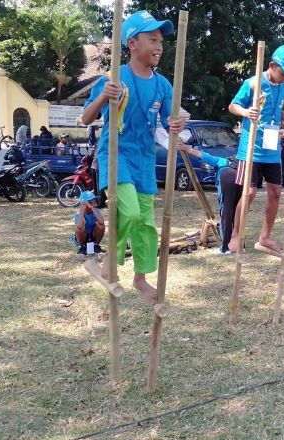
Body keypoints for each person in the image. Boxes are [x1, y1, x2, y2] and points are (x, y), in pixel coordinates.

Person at [78, 9, 184, 306]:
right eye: (152, 39)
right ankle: (107, 265)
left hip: (145, 159)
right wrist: (103, 96)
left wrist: (176, 124)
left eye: (161, 41)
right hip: (116, 155)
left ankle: (140, 277)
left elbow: (171, 121)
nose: (159, 46)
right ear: (132, 43)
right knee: (129, 210)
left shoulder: (162, 84)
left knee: (146, 223)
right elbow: (86, 118)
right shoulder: (115, 77)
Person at [227, 44, 284, 255]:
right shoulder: (252, 84)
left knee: (276, 192)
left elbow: (276, 111)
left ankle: (265, 237)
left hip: (272, 151)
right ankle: (235, 235)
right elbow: (233, 106)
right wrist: (246, 111)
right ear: (271, 66)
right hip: (250, 150)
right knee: (249, 192)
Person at [178, 143, 234, 253]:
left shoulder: (221, 161)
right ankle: (239, 243)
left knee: (225, 211)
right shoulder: (238, 164)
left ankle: (225, 247)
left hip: (226, 178)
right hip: (241, 181)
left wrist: (186, 148)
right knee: (237, 212)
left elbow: (203, 155)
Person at [74, 191, 106, 255]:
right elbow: (79, 226)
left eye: (95, 201)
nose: (94, 204)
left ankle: (96, 245)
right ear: (84, 204)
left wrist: (92, 208)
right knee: (79, 228)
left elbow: (102, 222)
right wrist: (82, 210)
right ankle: (81, 247)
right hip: (83, 237)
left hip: (93, 236)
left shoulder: (96, 211)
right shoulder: (79, 213)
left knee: (101, 225)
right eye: (91, 202)